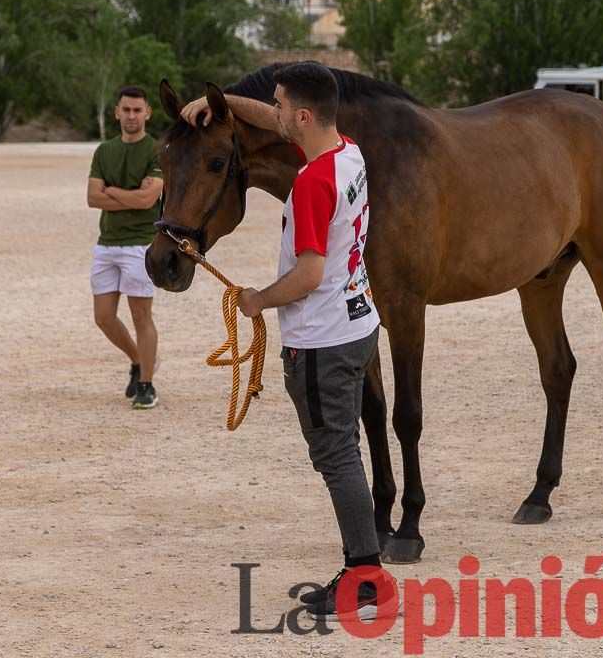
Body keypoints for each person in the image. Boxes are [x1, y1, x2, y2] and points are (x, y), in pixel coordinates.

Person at [179, 62, 393, 623]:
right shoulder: (346, 153)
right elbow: (275, 123)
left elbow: (309, 274)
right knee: (342, 449)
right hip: (356, 323)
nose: (270, 115)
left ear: (300, 117)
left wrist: (257, 300)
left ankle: (368, 578)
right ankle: (361, 569)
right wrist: (223, 101)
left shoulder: (313, 182)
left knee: (336, 455)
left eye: (278, 107)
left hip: (323, 339)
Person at [87, 86, 164, 408]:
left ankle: (146, 384)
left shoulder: (157, 151)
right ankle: (139, 360)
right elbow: (93, 198)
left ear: (147, 113)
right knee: (103, 317)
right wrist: (130, 195)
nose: (131, 116)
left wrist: (112, 191)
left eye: (137, 110)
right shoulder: (104, 151)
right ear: (116, 112)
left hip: (141, 244)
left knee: (140, 315)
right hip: (107, 243)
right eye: (126, 110)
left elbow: (149, 199)